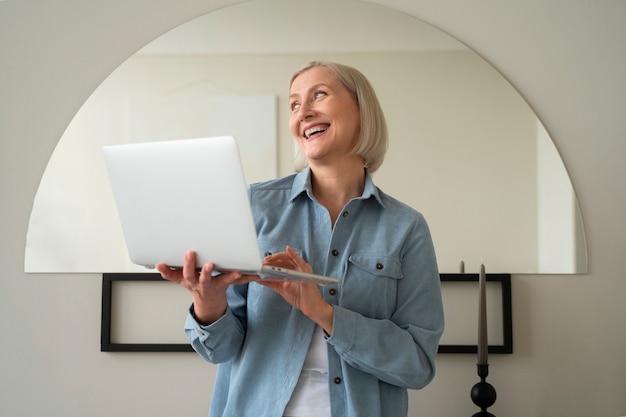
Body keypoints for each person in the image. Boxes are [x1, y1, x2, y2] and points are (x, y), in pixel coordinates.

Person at [157, 61, 444, 417]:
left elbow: (417, 364)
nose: (303, 113)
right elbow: (218, 351)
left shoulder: (407, 228)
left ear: (361, 109)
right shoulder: (253, 205)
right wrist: (208, 305)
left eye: (318, 95)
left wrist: (324, 312)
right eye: (294, 105)